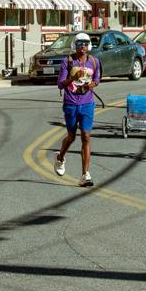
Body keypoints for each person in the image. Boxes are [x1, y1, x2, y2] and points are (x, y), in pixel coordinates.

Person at [52, 32, 102, 185]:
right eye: (80, 44)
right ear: (75, 45)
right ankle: (60, 158)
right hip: (71, 103)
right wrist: (73, 77)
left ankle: (85, 175)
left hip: (87, 104)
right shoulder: (67, 62)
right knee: (72, 136)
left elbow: (97, 78)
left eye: (86, 44)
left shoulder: (94, 61)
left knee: (86, 136)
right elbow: (60, 84)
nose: (83, 47)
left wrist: (92, 84)